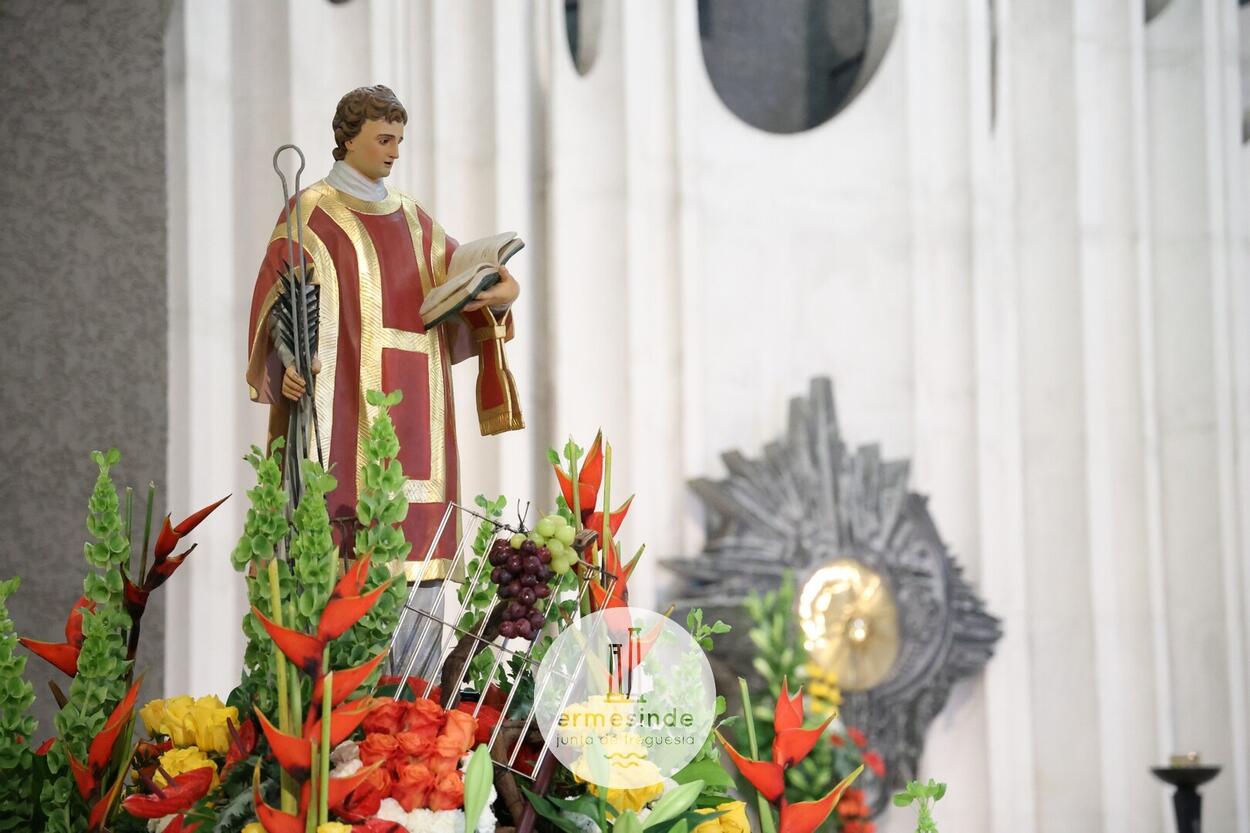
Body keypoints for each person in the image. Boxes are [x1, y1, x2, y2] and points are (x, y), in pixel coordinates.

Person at [246, 84, 523, 584]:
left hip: (418, 404)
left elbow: (459, 281)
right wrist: (287, 362)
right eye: (384, 140)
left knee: (417, 566)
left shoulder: (413, 218)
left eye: (399, 141)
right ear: (348, 139)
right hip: (341, 398)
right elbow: (278, 299)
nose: (394, 152)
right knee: (339, 549)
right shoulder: (312, 212)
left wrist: (499, 294)